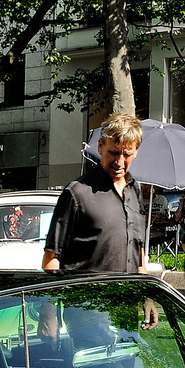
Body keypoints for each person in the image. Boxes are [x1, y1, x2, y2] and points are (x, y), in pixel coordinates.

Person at [43, 113, 151, 275]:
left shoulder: (134, 190)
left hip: (128, 297)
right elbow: (52, 257)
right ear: (100, 146)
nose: (119, 162)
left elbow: (138, 254)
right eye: (114, 152)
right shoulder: (76, 193)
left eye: (127, 154)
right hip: (87, 297)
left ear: (136, 152)